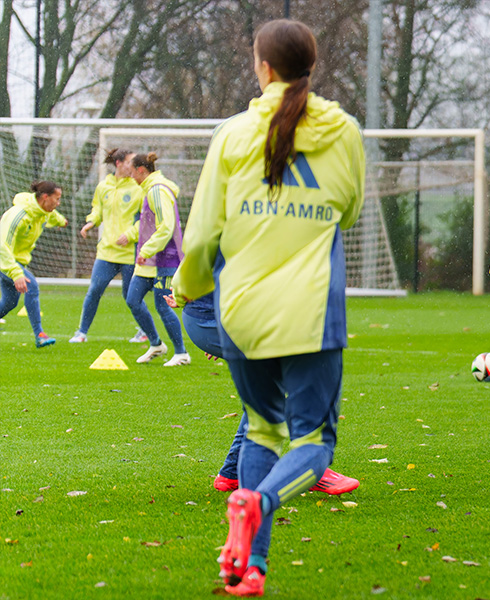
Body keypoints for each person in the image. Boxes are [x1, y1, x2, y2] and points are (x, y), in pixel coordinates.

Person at [170, 19, 365, 597]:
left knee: (261, 430)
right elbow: (350, 212)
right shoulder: (344, 131)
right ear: (312, 66)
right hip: (311, 311)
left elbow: (202, 235)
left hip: (242, 310)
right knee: (313, 443)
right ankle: (260, 500)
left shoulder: (232, 134)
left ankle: (249, 568)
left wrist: (187, 288)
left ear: (262, 66)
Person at [169, 291, 360, 495]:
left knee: (266, 390)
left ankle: (232, 473)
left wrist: (218, 333)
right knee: (301, 372)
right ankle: (310, 465)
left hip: (215, 321)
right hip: (219, 320)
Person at [116, 152, 189, 366]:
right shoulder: (149, 190)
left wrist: (146, 249)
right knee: (133, 299)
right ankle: (156, 344)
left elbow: (166, 226)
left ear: (141, 170)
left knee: (163, 305)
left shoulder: (158, 190)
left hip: (166, 260)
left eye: (132, 173)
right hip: (149, 261)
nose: (131, 178)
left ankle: (181, 353)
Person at [70, 148, 148, 344]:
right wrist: (91, 222)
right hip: (106, 251)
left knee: (131, 296)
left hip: (130, 252)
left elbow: (145, 219)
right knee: (95, 290)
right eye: (130, 162)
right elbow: (97, 209)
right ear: (119, 163)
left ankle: (145, 331)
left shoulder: (139, 188)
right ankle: (81, 333)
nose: (134, 166)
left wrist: (130, 235)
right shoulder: (103, 186)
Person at [0, 181, 66, 348]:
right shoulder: (18, 215)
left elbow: (53, 216)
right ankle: (40, 335)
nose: (58, 203)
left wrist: (61, 221)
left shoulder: (43, 212)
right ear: (45, 197)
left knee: (9, 303)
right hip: (4, 260)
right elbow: (2, 246)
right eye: (57, 199)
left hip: (16, 262)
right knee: (32, 286)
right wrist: (16, 273)